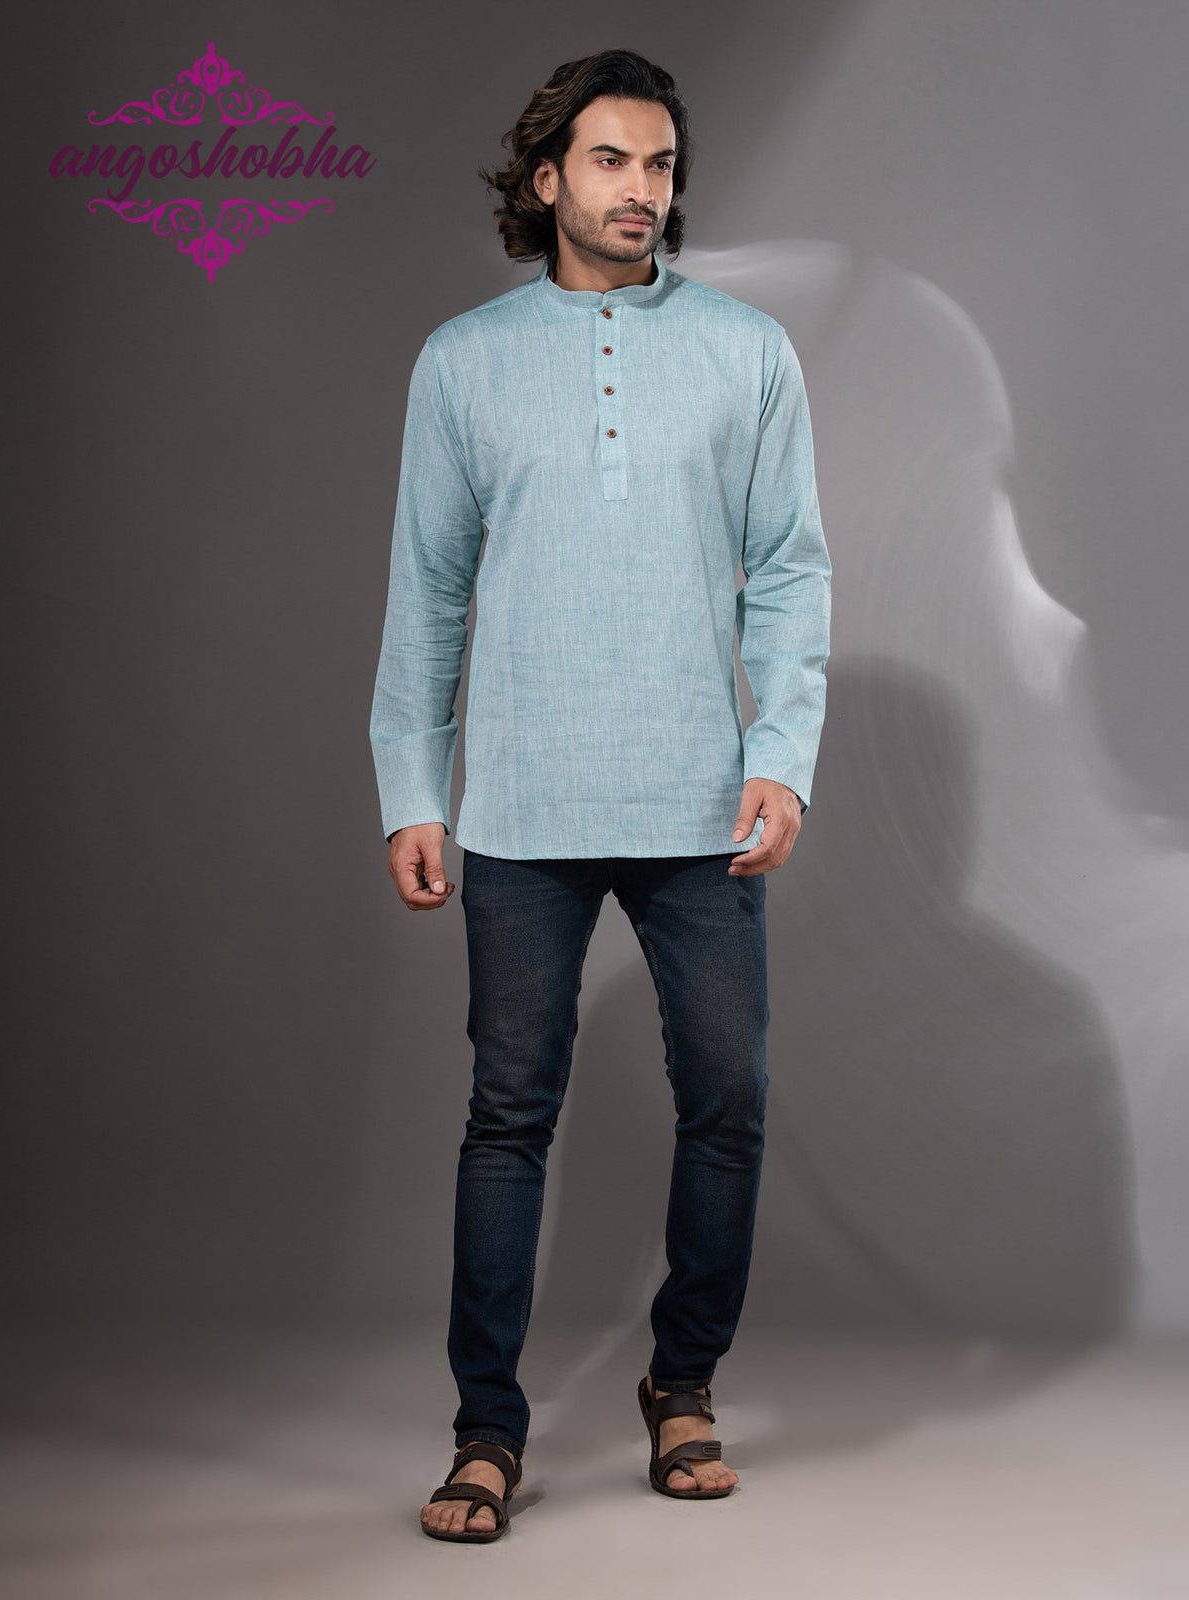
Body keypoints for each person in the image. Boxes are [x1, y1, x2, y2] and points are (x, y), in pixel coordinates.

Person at [369, 48, 832, 1542]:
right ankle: (485, 1433)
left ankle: (681, 1385)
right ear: (547, 177)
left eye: (661, 164)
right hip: (520, 798)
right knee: (509, 1114)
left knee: (730, 1103)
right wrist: (410, 785)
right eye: (613, 160)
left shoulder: (748, 350)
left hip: (702, 800)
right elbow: (430, 590)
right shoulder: (465, 360)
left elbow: (792, 572)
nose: (643, 189)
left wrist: (781, 759)